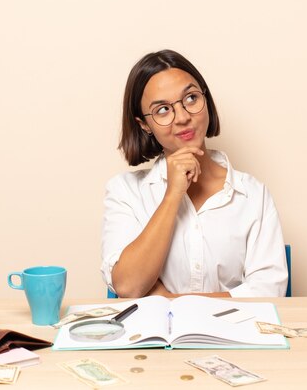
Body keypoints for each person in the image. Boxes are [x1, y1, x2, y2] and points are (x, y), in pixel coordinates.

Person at [100, 49, 287, 298]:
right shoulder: (125, 192)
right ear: (144, 125)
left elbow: (269, 292)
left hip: (233, 335)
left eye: (190, 98)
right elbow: (128, 286)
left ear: (205, 99)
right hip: (155, 337)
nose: (183, 117)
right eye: (163, 110)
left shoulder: (253, 194)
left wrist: (172, 300)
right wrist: (172, 195)